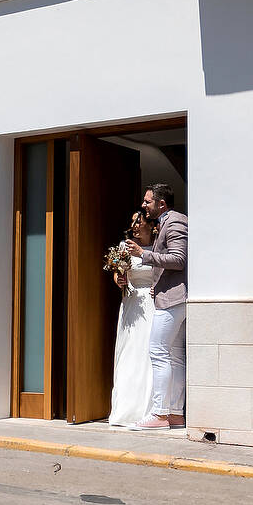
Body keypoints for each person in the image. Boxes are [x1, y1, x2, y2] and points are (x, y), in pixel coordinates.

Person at [126, 184, 187, 430]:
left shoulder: (174, 222)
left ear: (161, 204)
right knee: (174, 356)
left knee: (158, 352)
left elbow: (179, 259)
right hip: (171, 296)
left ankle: (160, 414)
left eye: (147, 201)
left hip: (173, 299)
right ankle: (175, 414)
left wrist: (143, 253)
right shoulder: (167, 221)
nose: (143, 205)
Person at [108, 212, 157, 428]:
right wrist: (118, 279)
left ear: (150, 225)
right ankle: (125, 410)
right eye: (132, 222)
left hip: (153, 302)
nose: (134, 226)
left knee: (149, 353)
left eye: (139, 222)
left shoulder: (158, 246)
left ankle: (150, 410)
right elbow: (118, 272)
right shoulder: (124, 246)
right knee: (129, 352)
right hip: (131, 303)